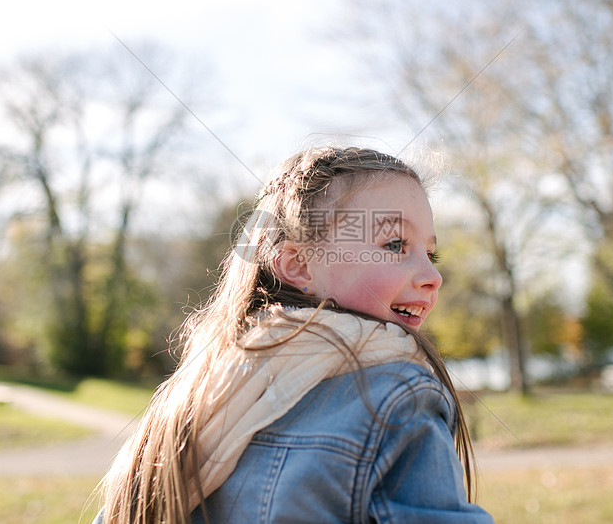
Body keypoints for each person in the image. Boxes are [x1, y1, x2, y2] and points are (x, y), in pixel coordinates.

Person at [94, 145, 493, 523]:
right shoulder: (396, 396)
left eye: (431, 253)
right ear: (299, 266)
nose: (433, 277)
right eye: (394, 244)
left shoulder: (194, 392)